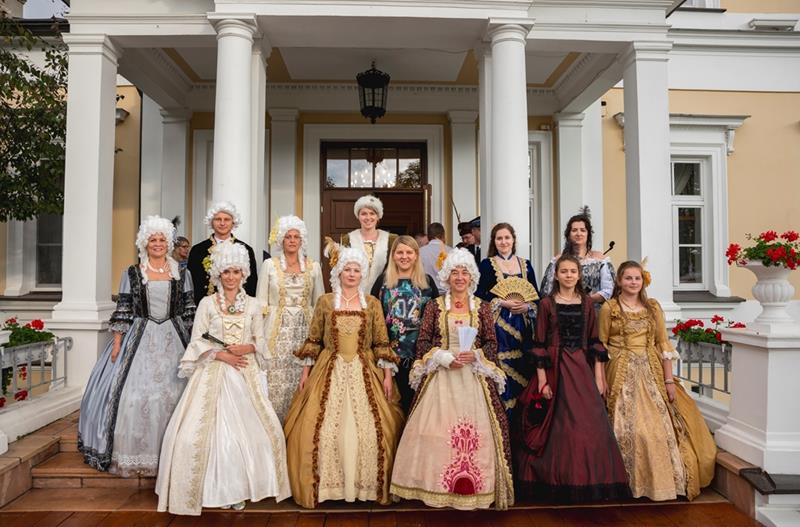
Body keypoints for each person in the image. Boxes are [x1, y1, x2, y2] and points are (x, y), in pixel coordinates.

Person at [156, 242, 290, 514]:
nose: (231, 277)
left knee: (262, 433)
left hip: (244, 371)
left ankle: (243, 488)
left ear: (244, 274)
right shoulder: (207, 304)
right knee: (197, 437)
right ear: (218, 274)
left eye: (236, 272)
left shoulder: (254, 305)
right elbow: (197, 340)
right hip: (212, 370)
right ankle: (209, 490)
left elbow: (261, 341)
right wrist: (220, 355)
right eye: (226, 272)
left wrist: (248, 347)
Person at [390, 249, 513, 510]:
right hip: (441, 374)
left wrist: (476, 355)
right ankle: (433, 487)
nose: (459, 277)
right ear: (447, 276)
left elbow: (491, 344)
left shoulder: (482, 307)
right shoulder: (434, 306)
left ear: (471, 277)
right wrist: (444, 357)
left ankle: (475, 488)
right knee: (434, 431)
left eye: (464, 273)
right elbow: (423, 342)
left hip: (473, 376)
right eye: (455, 272)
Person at [283, 248, 405, 508]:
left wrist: (387, 376)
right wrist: (305, 373)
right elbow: (314, 339)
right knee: (320, 431)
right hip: (330, 367)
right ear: (338, 273)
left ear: (362, 274)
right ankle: (330, 488)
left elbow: (381, 342)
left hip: (364, 368)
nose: (351, 274)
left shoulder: (371, 303)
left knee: (371, 432)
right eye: (347, 270)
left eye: (356, 270)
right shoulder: (326, 302)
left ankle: (365, 488)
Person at [78, 216, 195, 477]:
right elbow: (124, 308)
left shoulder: (182, 274)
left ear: (168, 243)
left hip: (174, 337)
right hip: (139, 337)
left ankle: (175, 454)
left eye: (162, 240)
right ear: (144, 243)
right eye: (153, 240)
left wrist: (193, 344)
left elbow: (189, 311)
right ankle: (139, 455)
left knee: (175, 394)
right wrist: (117, 343)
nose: (158, 244)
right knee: (135, 397)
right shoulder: (132, 273)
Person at [515, 255, 630, 503]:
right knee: (559, 427)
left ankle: (587, 481)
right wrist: (543, 381)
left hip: (581, 368)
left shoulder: (587, 303)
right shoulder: (547, 304)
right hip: (555, 369)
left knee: (588, 424)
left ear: (579, 275)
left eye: (573, 272)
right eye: (564, 271)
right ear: (556, 275)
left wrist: (598, 377)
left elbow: (594, 340)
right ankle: (557, 481)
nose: (568, 275)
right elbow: (539, 343)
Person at [600, 261, 716, 501]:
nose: (633, 282)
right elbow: (601, 345)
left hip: (650, 370)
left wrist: (669, 381)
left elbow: (663, 344)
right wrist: (600, 378)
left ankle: (662, 483)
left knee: (659, 430)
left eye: (637, 278)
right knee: (628, 430)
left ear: (643, 281)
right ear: (619, 281)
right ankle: (627, 484)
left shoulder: (652, 307)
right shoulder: (609, 308)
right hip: (620, 370)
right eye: (628, 278)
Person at [256, 215, 325, 422]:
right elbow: (260, 303)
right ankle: (274, 425)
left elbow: (320, 303)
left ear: (302, 240)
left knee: (301, 377)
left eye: (296, 237)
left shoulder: (313, 267)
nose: (292, 240)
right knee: (275, 377)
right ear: (281, 240)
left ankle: (297, 426)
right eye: (288, 237)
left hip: (304, 330)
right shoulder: (269, 265)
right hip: (275, 331)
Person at [476, 223, 540, 416]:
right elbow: (480, 295)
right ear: (494, 242)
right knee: (502, 369)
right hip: (499, 326)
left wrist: (527, 306)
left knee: (523, 368)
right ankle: (503, 418)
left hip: (523, 326)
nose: (503, 242)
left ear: (513, 240)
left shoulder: (526, 264)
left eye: (507, 238)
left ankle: (522, 419)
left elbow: (536, 296)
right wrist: (502, 302)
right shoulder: (487, 264)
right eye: (499, 238)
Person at [370, 235, 439, 412]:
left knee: (417, 408)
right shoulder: (383, 282)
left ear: (416, 255)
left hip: (420, 356)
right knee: (392, 407)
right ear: (393, 255)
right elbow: (373, 318)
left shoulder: (427, 283)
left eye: (409, 252)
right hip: (390, 357)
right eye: (400, 252)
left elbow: (436, 319)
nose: (404, 256)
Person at [187, 201, 259, 305]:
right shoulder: (198, 250)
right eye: (218, 219)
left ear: (233, 222)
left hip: (238, 307)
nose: (222, 223)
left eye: (227, 219)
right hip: (206, 307)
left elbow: (252, 284)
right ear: (211, 222)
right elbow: (192, 285)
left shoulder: (246, 249)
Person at [540, 208, 615, 307]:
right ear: (568, 234)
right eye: (574, 230)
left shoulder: (600, 259)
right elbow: (546, 290)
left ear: (588, 234)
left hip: (593, 311)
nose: (579, 234)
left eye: (583, 230)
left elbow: (609, 290)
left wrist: (585, 300)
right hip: (563, 310)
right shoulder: (558, 260)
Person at [335, 194, 397, 293]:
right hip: (355, 293)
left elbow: (395, 267)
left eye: (372, 213)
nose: (368, 217)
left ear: (378, 216)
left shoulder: (391, 239)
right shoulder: (348, 239)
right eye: (364, 214)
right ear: (358, 216)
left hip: (383, 292)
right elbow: (341, 270)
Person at [419, 222, 452, 292]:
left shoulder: (420, 252)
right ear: (443, 235)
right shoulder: (452, 252)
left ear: (428, 236)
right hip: (447, 293)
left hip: (427, 293)